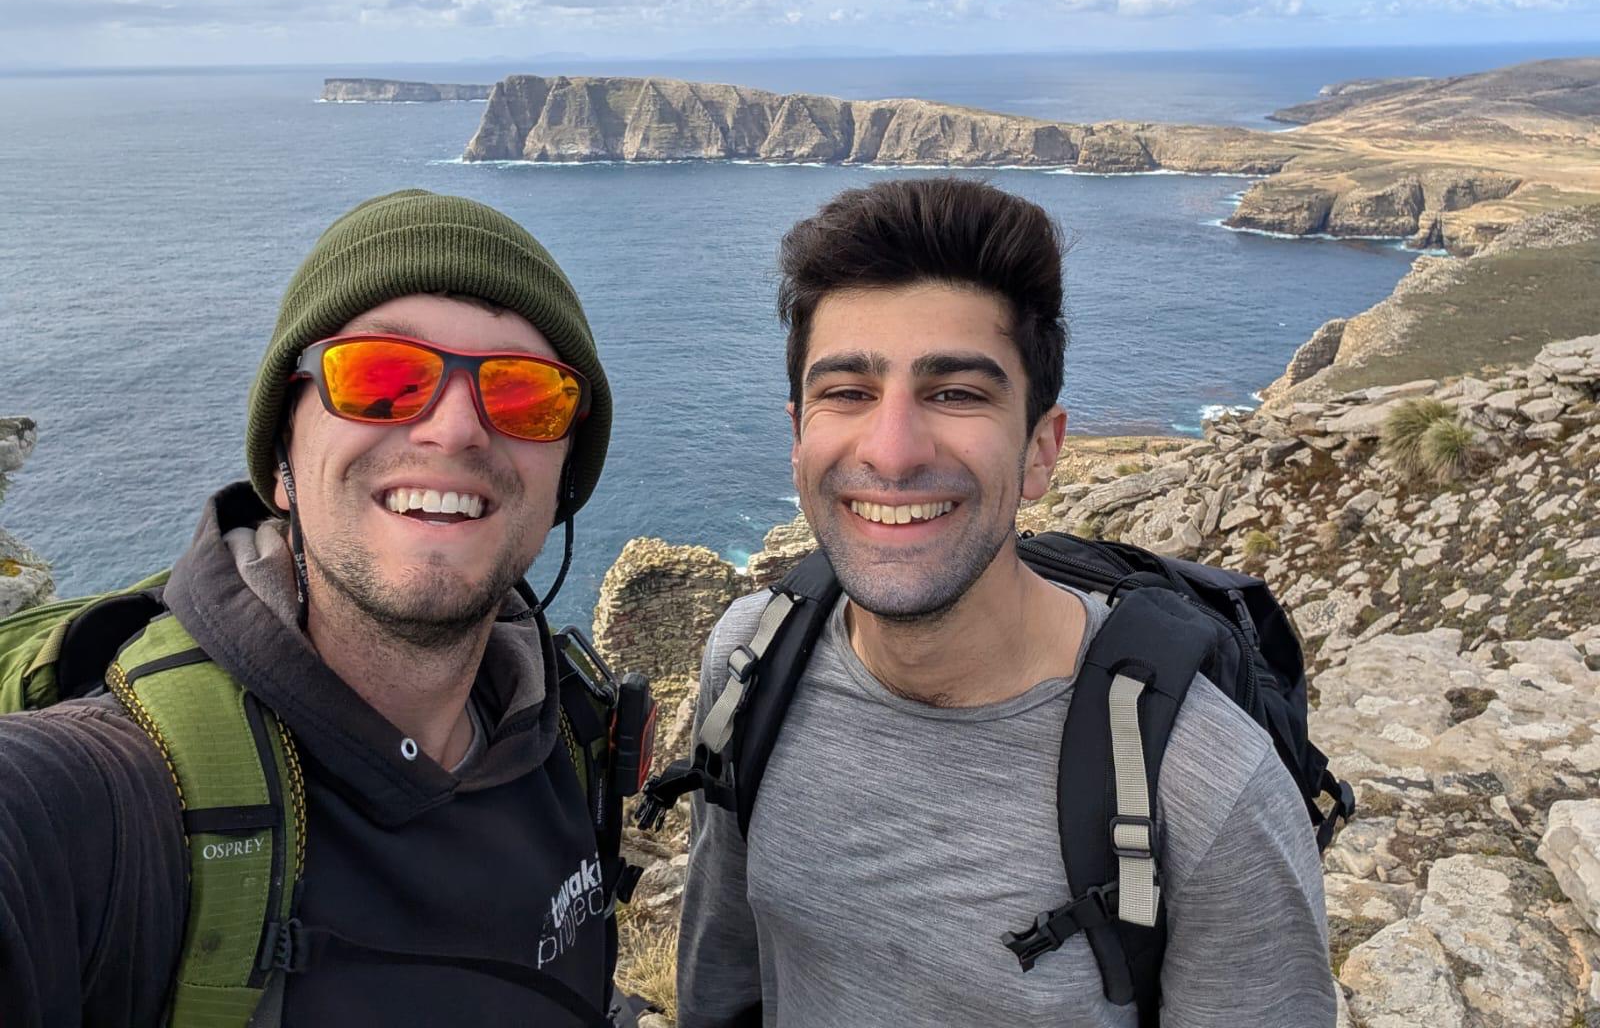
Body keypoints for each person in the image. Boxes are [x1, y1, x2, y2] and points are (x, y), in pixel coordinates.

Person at [675, 178, 1336, 1026]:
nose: (894, 450)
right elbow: (721, 990)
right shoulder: (749, 664)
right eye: (847, 391)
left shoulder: (1205, 786)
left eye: (956, 392)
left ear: (1039, 452)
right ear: (798, 435)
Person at [0, 190, 624, 1027]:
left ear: (562, 486)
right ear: (282, 459)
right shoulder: (111, 799)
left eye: (525, 396)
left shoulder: (565, 738)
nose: (454, 430)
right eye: (379, 377)